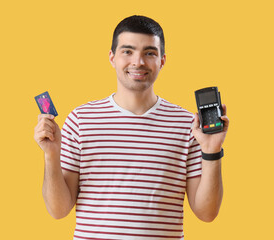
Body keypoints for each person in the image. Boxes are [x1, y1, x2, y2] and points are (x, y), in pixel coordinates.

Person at [34, 15, 229, 240]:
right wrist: (51, 155)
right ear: (112, 57)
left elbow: (206, 213)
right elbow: (58, 211)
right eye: (127, 51)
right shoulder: (80, 120)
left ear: (162, 60)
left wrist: (212, 150)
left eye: (149, 53)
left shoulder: (188, 125)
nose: (138, 62)